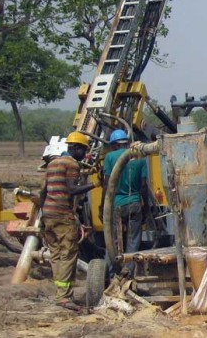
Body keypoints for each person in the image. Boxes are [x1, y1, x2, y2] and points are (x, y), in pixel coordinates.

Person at [40, 131, 93, 312]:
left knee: (56, 255)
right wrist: (95, 184)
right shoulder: (71, 164)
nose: (85, 154)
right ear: (76, 148)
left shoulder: (52, 163)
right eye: (83, 150)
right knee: (69, 254)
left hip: (48, 215)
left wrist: (42, 217)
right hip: (62, 215)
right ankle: (64, 297)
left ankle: (60, 293)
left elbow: (43, 192)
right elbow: (71, 190)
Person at [102, 129, 148, 275]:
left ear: (114, 145)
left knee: (114, 240)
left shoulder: (109, 157)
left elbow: (107, 183)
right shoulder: (139, 157)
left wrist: (102, 206)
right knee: (133, 240)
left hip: (115, 204)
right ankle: (129, 271)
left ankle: (111, 273)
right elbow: (143, 186)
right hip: (134, 204)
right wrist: (145, 206)